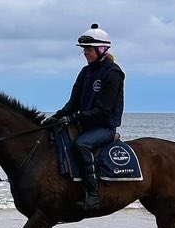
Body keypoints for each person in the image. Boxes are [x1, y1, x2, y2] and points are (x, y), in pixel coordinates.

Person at [40, 23, 125, 212]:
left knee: (81, 144)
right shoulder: (85, 72)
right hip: (84, 124)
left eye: (88, 49)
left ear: (101, 49)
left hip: (104, 128)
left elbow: (103, 110)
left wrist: (74, 117)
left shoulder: (113, 73)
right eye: (84, 50)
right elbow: (73, 103)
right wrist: (56, 117)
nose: (85, 53)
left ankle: (93, 195)